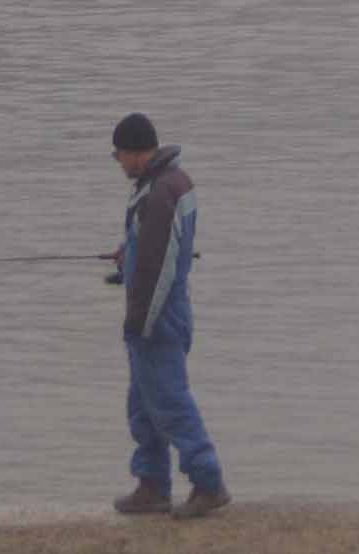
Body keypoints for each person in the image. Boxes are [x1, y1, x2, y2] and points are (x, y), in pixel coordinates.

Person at [109, 113, 229, 521]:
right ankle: (152, 485)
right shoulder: (167, 184)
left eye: (120, 153)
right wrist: (127, 258)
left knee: (170, 402)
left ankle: (208, 483)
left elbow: (160, 267)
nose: (118, 161)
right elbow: (157, 249)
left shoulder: (160, 193)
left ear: (138, 151)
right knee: (143, 403)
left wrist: (141, 321)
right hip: (166, 308)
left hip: (158, 317)